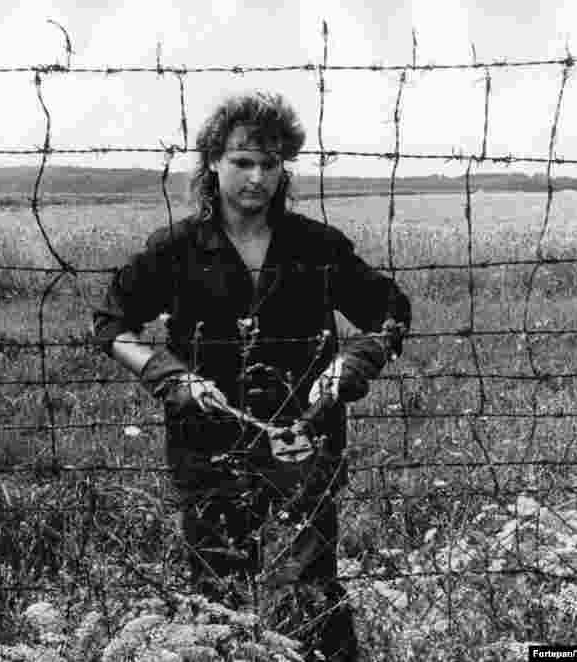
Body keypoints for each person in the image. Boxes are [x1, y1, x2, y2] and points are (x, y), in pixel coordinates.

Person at [92, 90, 411, 661]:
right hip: (208, 448)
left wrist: (354, 362)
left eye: (270, 164)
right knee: (219, 603)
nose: (257, 177)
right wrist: (170, 376)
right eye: (243, 162)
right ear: (213, 161)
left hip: (304, 442)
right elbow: (111, 324)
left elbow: (390, 311)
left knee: (310, 592)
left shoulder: (317, 247)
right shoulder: (178, 249)